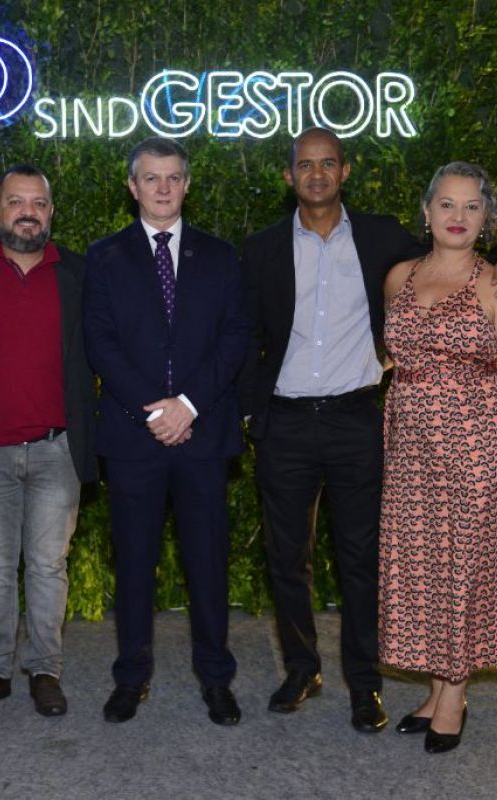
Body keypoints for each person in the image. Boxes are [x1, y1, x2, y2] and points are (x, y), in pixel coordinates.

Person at [239, 127, 426, 731]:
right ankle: (302, 668)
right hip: (286, 424)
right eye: (305, 165)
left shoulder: (384, 237)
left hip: (355, 420)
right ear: (289, 176)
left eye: (328, 163)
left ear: (345, 172)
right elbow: (244, 334)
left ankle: (365, 684)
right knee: (286, 557)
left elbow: (444, 270)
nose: (316, 174)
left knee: (361, 559)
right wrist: (251, 410)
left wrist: (396, 354)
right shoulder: (262, 247)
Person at [83, 137, 248, 725]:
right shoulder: (103, 257)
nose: (162, 187)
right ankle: (131, 678)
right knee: (134, 564)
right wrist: (155, 412)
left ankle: (217, 679)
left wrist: (188, 406)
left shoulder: (221, 256)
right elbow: (100, 342)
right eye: (151, 178)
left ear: (187, 184)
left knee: (208, 564)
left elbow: (235, 338)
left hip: (203, 435)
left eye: (173, 177)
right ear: (132, 186)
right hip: (134, 439)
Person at [0, 164, 96, 718]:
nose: (27, 213)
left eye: (38, 203)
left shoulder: (80, 273)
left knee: (49, 567)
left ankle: (45, 670)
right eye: (15, 202)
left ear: (51, 212)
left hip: (58, 448)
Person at [379, 162, 497, 754]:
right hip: (408, 451)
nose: (458, 216)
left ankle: (454, 696)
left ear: (486, 218)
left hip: (473, 448)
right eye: (447, 204)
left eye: (472, 206)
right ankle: (434, 690)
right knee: (420, 567)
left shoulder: (491, 285)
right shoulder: (399, 276)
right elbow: (391, 357)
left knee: (462, 569)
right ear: (426, 212)